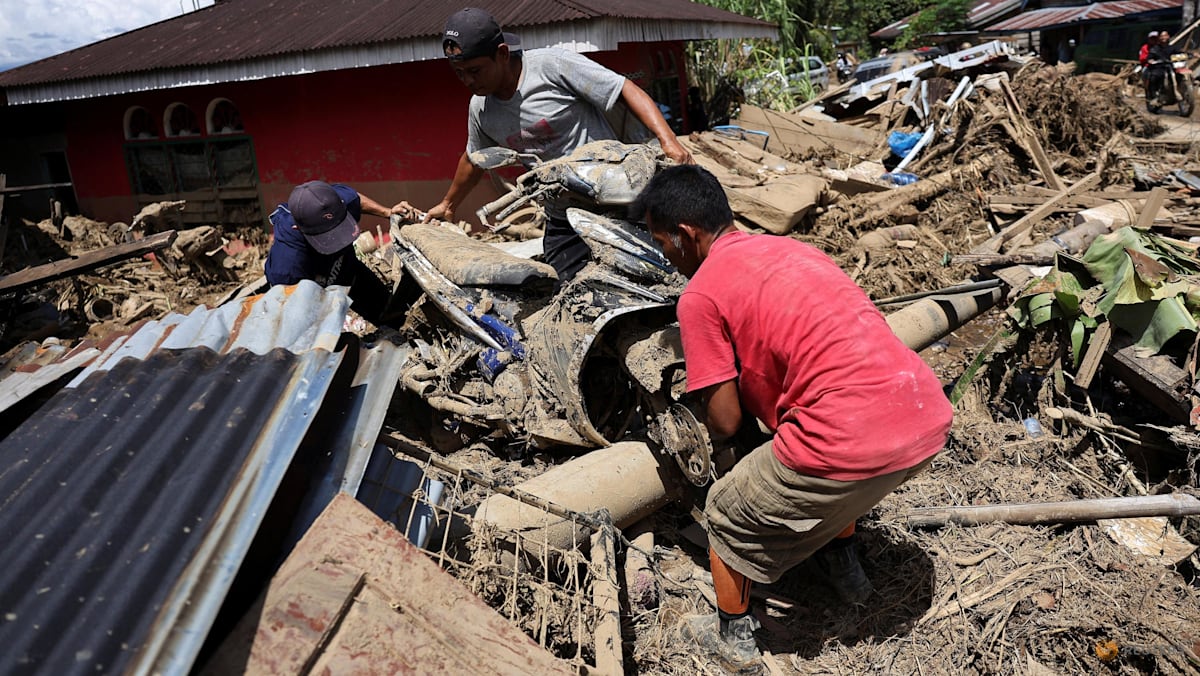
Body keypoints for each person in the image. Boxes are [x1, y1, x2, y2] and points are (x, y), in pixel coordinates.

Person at [632, 166, 952, 673]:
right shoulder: (795, 250)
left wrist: (708, 422)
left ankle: (733, 639)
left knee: (725, 510)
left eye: (662, 244)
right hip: (924, 416)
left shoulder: (701, 294)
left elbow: (725, 419)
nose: (666, 257)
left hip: (848, 440)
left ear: (687, 236)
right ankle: (846, 575)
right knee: (828, 459)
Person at [428, 7, 693, 285]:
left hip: (617, 200)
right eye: (459, 73)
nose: (468, 81)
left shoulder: (552, 66)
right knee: (573, 292)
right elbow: (475, 159)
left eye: (475, 71)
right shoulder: (480, 108)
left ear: (503, 54)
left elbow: (623, 88)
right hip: (562, 215)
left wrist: (669, 140)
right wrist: (448, 204)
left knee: (665, 274)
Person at [264, 180, 411, 327]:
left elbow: (355, 200)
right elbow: (296, 320)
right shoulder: (287, 269)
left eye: (339, 229)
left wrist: (387, 212)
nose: (337, 241)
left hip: (349, 270)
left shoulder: (334, 202)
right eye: (327, 236)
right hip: (312, 293)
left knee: (393, 318)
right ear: (298, 228)